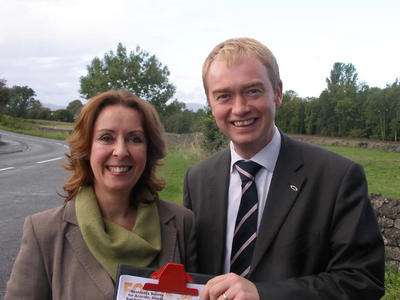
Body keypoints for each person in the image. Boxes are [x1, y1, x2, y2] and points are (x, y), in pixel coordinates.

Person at [183, 38, 385, 299]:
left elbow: (362, 280)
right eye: (224, 95)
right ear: (210, 103)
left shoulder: (337, 177)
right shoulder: (197, 178)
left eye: (253, 90)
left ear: (277, 92)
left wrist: (264, 295)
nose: (240, 108)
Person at [5, 90, 197, 300]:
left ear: (148, 150)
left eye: (134, 139)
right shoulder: (43, 232)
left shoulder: (181, 223)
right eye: (106, 138)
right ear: (87, 148)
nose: (121, 151)